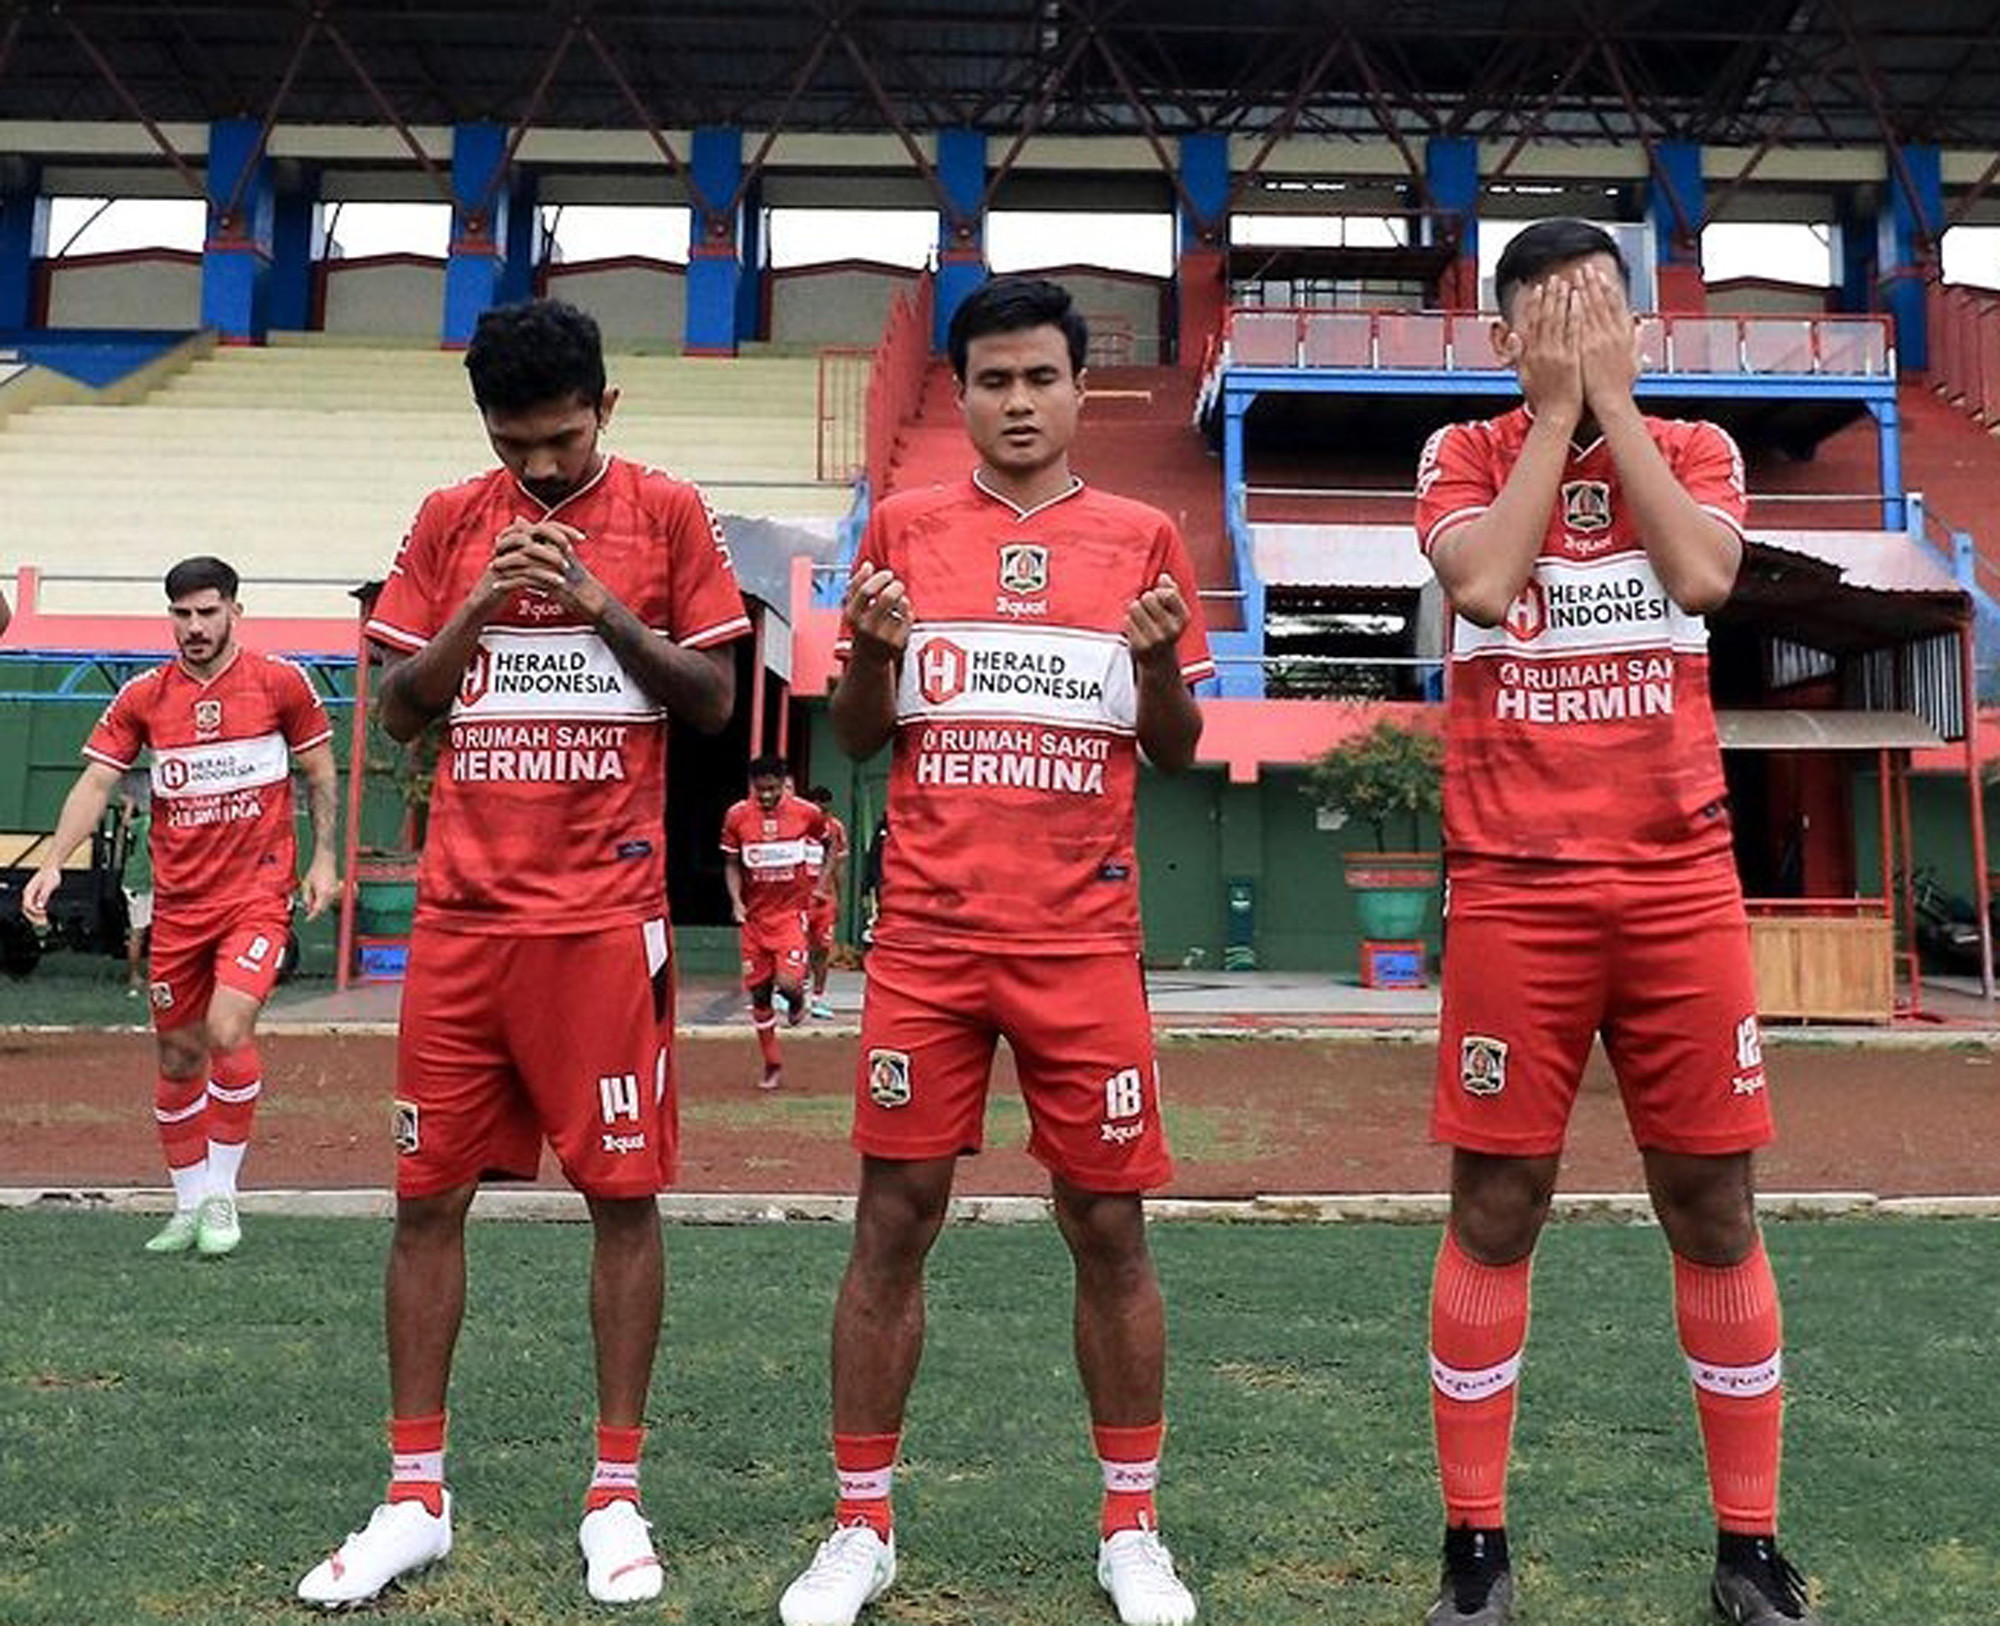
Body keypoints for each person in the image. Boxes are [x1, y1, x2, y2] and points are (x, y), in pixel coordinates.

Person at [297, 298, 749, 1610]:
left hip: (605, 923)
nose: (540, 467)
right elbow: (396, 709)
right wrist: (473, 609)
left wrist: (601, 604)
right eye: (515, 441)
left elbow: (713, 700)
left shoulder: (666, 514)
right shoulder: (451, 517)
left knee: (623, 1196)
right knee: (425, 1195)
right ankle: (413, 1493)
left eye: (559, 438)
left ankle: (616, 1492)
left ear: (606, 407)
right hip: (462, 923)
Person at [777, 275, 1213, 1626]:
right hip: (929, 946)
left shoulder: (1143, 535)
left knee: (1110, 1225)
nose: (1018, 403)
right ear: (958, 395)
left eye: (1040, 379)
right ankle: (862, 1528)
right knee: (892, 1222)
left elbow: (1179, 745)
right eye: (992, 382)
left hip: (1084, 944)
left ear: (1084, 392)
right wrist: (869, 650)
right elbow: (855, 737)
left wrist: (1150, 672)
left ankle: (1131, 1528)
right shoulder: (902, 528)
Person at [1412, 218, 1823, 1626]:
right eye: (1557, 319)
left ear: (1643, 333)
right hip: (1516, 887)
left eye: (1608, 319)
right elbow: (1480, 581)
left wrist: (1617, 407)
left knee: (1712, 1201)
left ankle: (1750, 1547)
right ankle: (1476, 1546)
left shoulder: (1699, 447)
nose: (1586, 342)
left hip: (1677, 884)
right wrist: (1551, 415)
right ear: (1504, 338)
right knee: (1496, 1201)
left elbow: (1703, 577)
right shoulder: (1462, 453)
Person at [23, 556, 337, 1257]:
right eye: (182, 615)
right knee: (177, 1058)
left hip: (256, 895)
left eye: (207, 612)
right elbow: (96, 782)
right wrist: (51, 862)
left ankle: (224, 1194)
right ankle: (188, 1204)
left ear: (235, 612)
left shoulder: (280, 683)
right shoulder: (144, 696)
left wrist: (323, 858)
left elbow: (319, 770)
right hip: (180, 906)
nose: (194, 627)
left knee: (228, 1029)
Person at [720, 755, 830, 1090]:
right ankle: (772, 1063)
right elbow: (731, 863)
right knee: (760, 994)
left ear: (784, 784)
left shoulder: (806, 813)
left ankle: (799, 1000)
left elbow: (828, 845)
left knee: (787, 984)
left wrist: (821, 885)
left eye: (772, 789)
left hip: (789, 916)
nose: (766, 796)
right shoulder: (737, 816)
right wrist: (737, 902)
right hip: (755, 918)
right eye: (760, 790)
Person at [801, 783, 847, 1018]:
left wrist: (837, 898)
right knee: (797, 948)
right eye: (818, 810)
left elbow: (838, 866)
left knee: (821, 950)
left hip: (824, 900)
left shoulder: (835, 828)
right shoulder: (796, 825)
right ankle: (793, 994)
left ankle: (818, 999)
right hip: (799, 900)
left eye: (826, 811)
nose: (822, 815)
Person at [118, 776, 154, 997]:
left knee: (138, 931)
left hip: (135, 881)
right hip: (145, 883)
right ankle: (137, 976)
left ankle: (136, 975)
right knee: (143, 932)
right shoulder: (153, 822)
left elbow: (125, 826)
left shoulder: (143, 823)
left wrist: (128, 806)